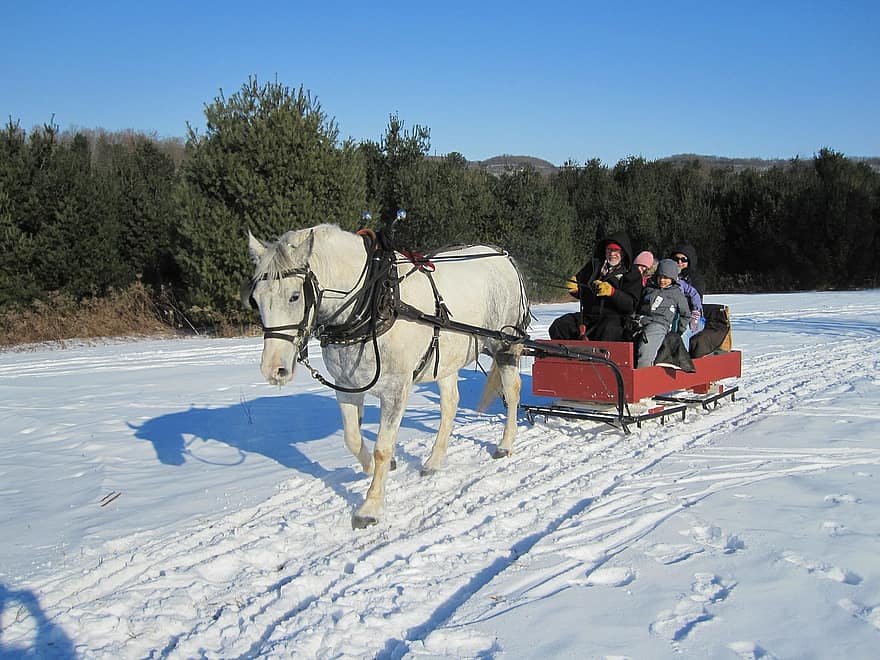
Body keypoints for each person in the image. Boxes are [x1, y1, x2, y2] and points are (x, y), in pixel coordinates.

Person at [549, 232, 643, 342]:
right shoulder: (593, 266)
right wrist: (575, 289)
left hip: (616, 319)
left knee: (607, 330)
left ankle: (601, 358)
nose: (612, 253)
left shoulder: (632, 272)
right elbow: (581, 287)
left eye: (616, 250)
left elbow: (631, 304)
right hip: (589, 317)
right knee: (560, 326)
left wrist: (612, 292)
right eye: (609, 250)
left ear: (623, 252)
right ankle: (565, 356)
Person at [635, 259, 691, 368]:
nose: (662, 280)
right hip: (641, 320)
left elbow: (686, 314)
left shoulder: (676, 293)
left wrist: (679, 330)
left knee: (646, 349)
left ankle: (644, 376)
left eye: (666, 278)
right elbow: (639, 305)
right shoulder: (649, 288)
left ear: (672, 278)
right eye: (660, 276)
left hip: (659, 324)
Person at [669, 244, 704, 344]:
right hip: (671, 315)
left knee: (683, 333)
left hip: (693, 317)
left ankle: (682, 358)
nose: (679, 262)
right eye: (676, 259)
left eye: (683, 259)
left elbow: (696, 298)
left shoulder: (695, 278)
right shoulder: (667, 276)